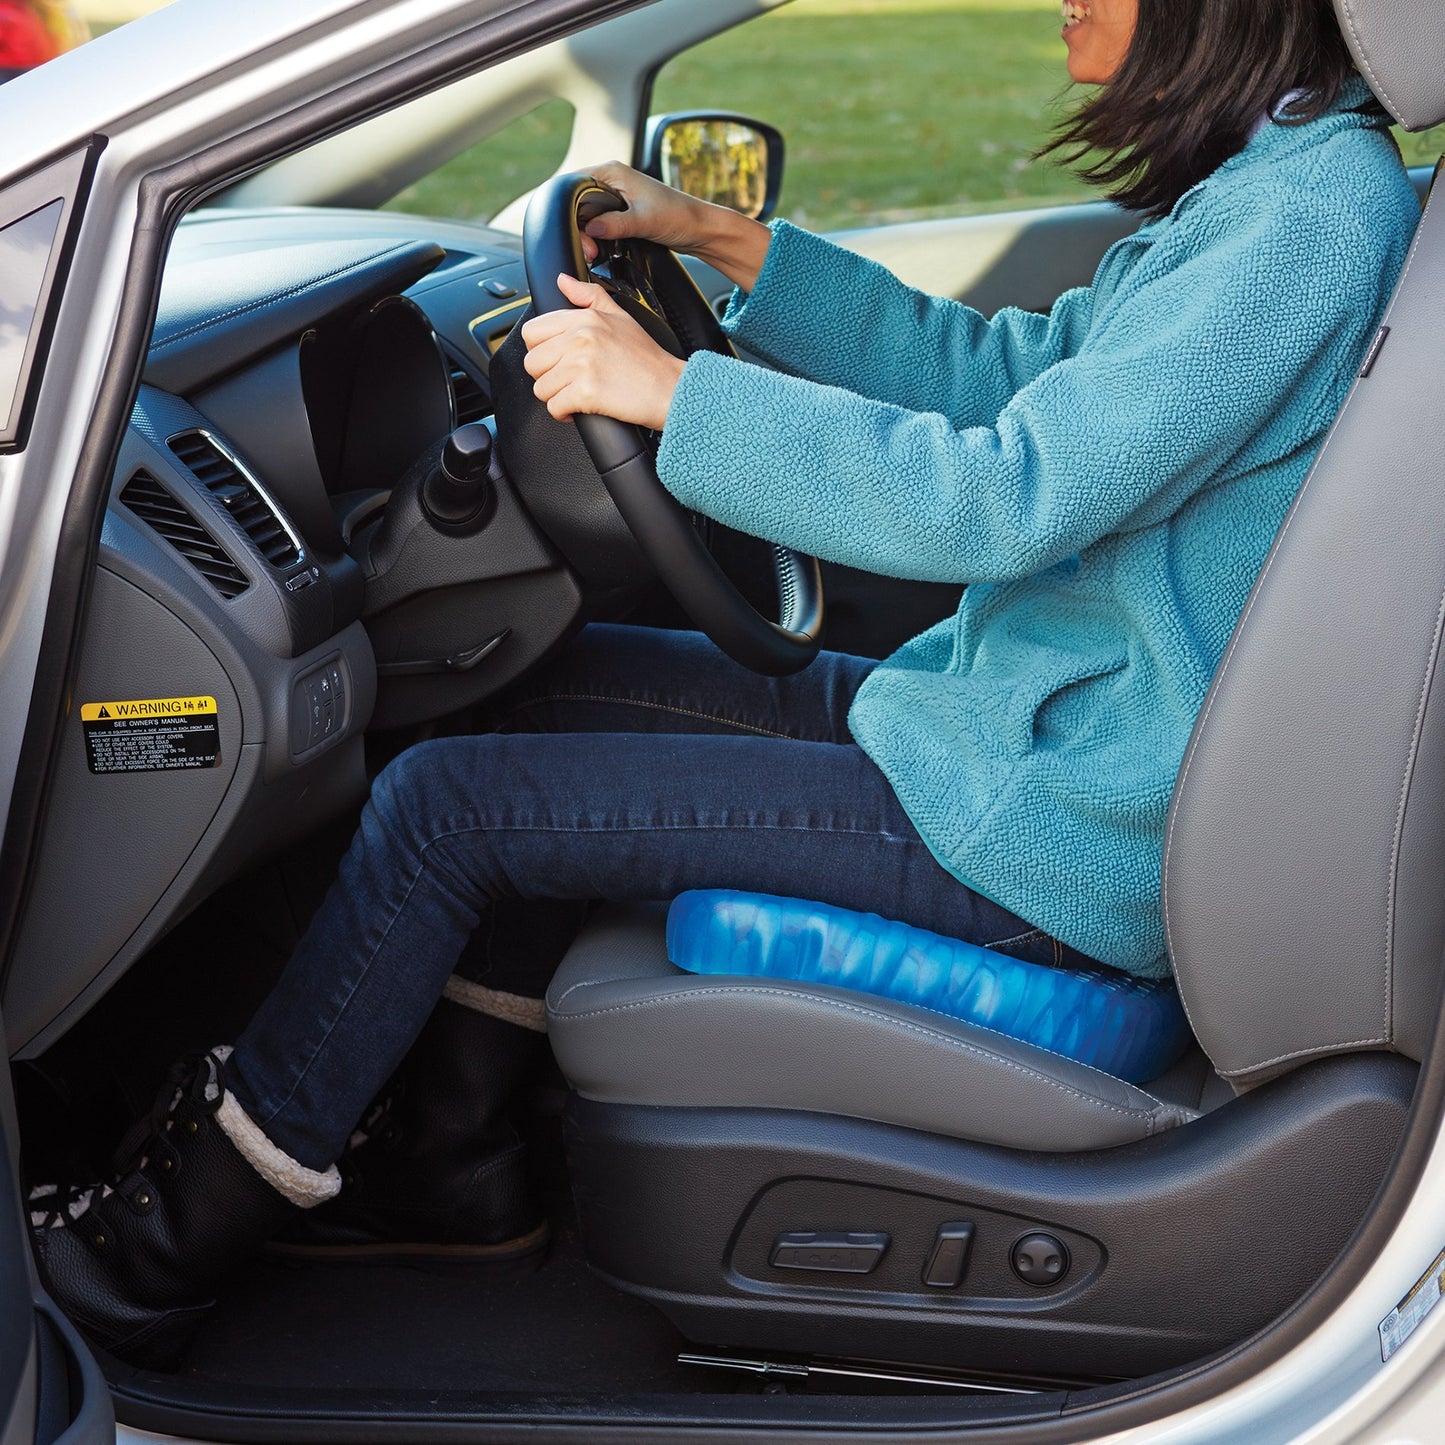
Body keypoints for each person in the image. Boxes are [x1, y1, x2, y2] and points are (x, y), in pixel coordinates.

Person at [28, 0, 1420, 1369]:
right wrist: (731, 242)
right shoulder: (1276, 183)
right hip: (992, 740)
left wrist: (673, 398)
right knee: (538, 692)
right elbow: (1011, 382)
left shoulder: (1304, 219)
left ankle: (155, 1250)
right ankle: (453, 1172)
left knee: (452, 805)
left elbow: (1001, 496)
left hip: (1044, 830)